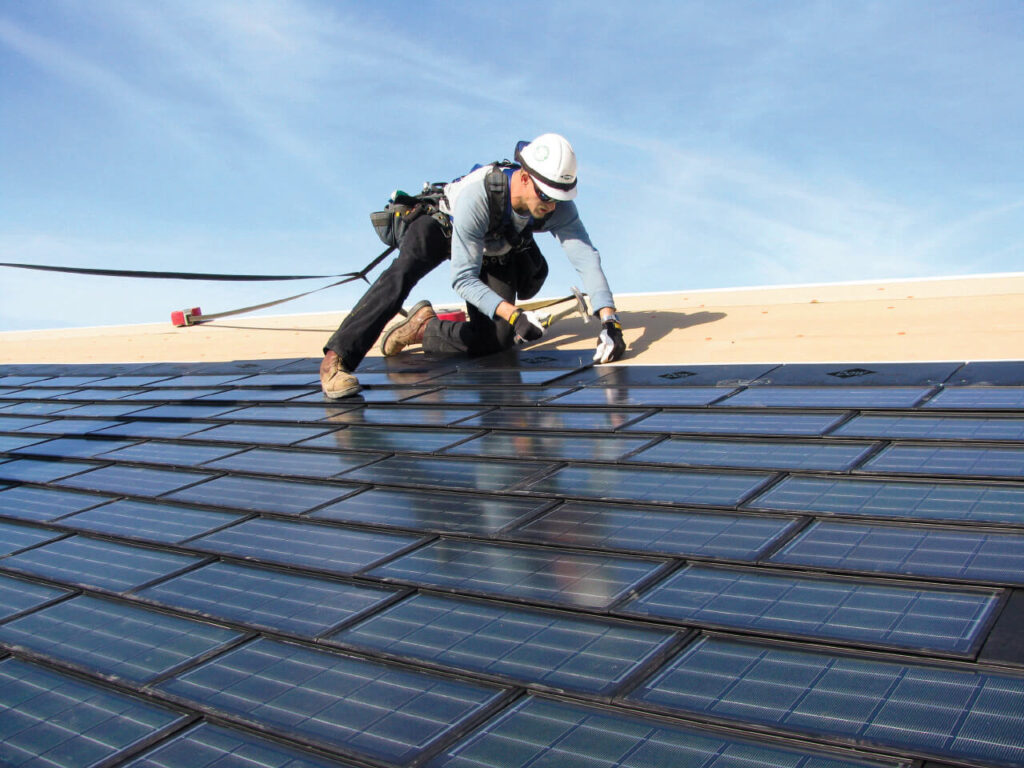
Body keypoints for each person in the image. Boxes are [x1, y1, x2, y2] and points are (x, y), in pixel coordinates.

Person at [320, 133, 626, 399]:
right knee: (403, 273)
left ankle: (423, 328)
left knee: (496, 340)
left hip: (494, 245)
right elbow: (463, 278)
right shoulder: (479, 196)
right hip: (444, 226)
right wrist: (514, 314)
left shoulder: (555, 205)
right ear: (523, 177)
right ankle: (336, 361)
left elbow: (585, 256)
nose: (552, 206)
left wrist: (610, 322)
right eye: (546, 196)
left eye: (559, 198)